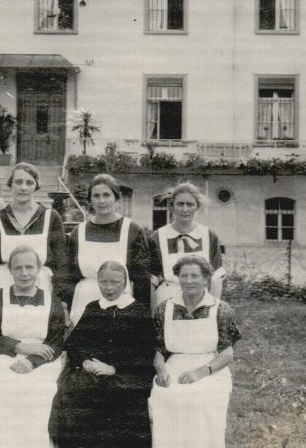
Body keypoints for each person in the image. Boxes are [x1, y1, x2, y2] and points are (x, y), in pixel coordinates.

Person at [49, 261, 155, 448]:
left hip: (127, 374)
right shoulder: (93, 307)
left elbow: (144, 351)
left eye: (115, 282)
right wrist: (84, 362)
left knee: (118, 398)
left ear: (126, 282)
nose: (109, 288)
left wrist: (115, 368)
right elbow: (76, 342)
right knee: (75, 392)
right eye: (103, 282)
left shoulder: (139, 311)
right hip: (92, 372)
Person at [0, 245, 67, 448]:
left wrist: (31, 362)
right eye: (18, 268)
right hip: (1, 356)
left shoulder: (53, 301)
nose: (24, 273)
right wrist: (21, 348)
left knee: (36, 390)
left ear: (39, 269)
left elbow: (55, 342)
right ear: (10, 271)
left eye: (29, 267)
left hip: (42, 360)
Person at [148, 255, 242, 448]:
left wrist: (199, 373)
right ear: (177, 278)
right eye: (184, 276)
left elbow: (227, 353)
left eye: (194, 276)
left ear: (206, 279)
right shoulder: (164, 309)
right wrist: (161, 370)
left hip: (210, 368)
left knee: (201, 402)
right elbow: (158, 349)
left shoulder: (221, 309)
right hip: (174, 365)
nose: (189, 281)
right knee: (165, 398)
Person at [0, 162, 72, 308]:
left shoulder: (50, 217)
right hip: (3, 284)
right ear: (11, 184)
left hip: (41, 286)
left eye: (29, 183)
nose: (23, 187)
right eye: (18, 182)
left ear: (36, 186)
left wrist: (60, 299)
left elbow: (61, 262)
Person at [69, 174, 151, 325]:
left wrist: (141, 313)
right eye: (96, 196)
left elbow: (142, 278)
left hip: (121, 302)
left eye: (106, 195)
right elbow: (69, 275)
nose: (101, 201)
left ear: (116, 198)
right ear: (90, 200)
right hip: (84, 300)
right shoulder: (78, 232)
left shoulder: (132, 229)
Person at [148, 182, 225, 310]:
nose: (185, 209)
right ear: (172, 206)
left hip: (201, 301)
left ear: (197, 206)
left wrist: (213, 310)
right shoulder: (158, 237)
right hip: (167, 301)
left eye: (190, 204)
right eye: (180, 204)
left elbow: (216, 277)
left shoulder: (208, 235)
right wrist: (155, 316)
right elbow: (151, 281)